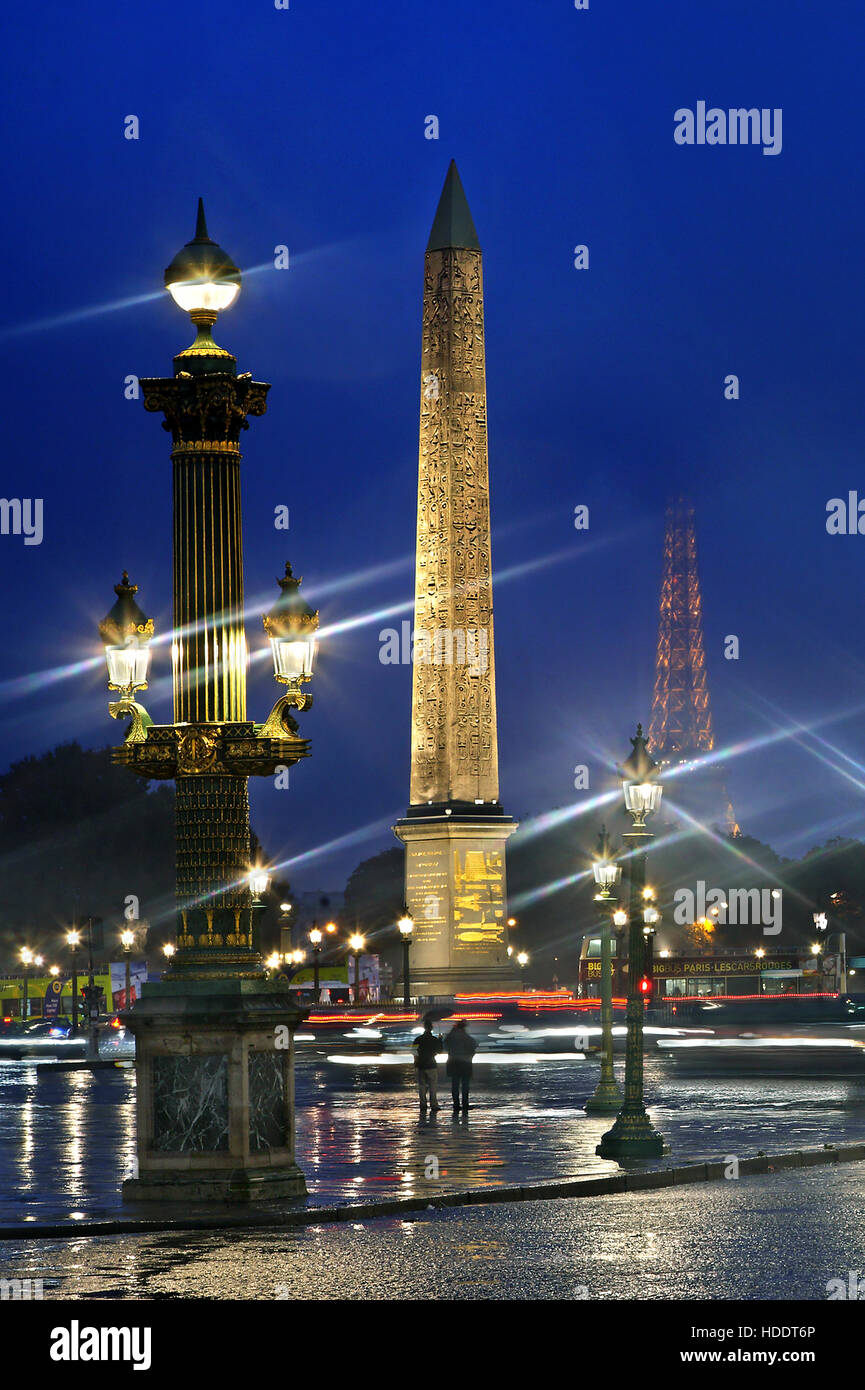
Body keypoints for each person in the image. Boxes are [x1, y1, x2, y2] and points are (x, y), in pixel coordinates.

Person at [445, 1019, 477, 1112]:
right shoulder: (467, 1038)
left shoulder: (451, 1036)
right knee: (465, 1085)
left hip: (453, 1063)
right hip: (465, 1063)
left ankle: (456, 1104)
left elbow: (445, 1045)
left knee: (455, 1084)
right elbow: (473, 1048)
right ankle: (465, 1104)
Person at [412, 1018, 441, 1112]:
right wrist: (440, 1040)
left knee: (422, 1086)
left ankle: (423, 1104)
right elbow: (439, 1051)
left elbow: (413, 1051)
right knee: (432, 1086)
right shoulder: (434, 1039)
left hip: (421, 1065)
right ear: (431, 1028)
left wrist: (416, 1062)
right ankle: (434, 1105)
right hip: (431, 1065)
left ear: (424, 1028)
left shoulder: (418, 1039)